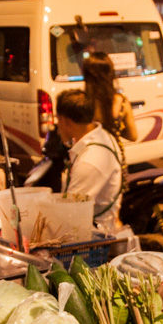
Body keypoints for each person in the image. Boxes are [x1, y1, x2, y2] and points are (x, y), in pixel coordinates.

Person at [56, 89, 124, 231]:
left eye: (58, 120)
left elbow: (70, 212)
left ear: (65, 121)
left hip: (94, 234)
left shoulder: (90, 160)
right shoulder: (101, 135)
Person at [82, 52, 138, 143]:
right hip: (111, 153)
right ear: (111, 73)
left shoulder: (81, 101)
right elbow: (133, 136)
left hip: (88, 153)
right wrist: (115, 130)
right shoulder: (121, 102)